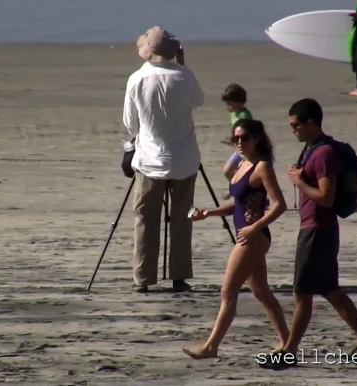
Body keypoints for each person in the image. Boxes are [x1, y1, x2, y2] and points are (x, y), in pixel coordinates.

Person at [264, 98, 357, 369]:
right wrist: (301, 176)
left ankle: (289, 352)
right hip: (314, 228)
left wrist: (299, 181)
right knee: (330, 290)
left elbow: (326, 198)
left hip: (319, 229)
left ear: (311, 124)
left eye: (296, 126)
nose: (292, 130)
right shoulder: (311, 149)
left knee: (302, 292)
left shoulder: (324, 153)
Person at [183, 118, 290, 359]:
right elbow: (238, 204)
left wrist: (255, 227)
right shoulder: (241, 164)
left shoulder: (262, 167)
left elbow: (279, 205)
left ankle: (211, 347)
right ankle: (287, 342)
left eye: (244, 138)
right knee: (262, 291)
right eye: (235, 138)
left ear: (257, 139)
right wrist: (210, 212)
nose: (239, 143)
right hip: (248, 235)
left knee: (228, 292)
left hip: (253, 238)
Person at [123, 26, 205, 293]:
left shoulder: (136, 79)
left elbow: (130, 123)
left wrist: (132, 143)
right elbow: (198, 101)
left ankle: (143, 279)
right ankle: (179, 277)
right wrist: (183, 67)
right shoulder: (184, 76)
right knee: (182, 220)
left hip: (149, 161)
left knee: (145, 220)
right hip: (184, 160)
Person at [220, 83, 253, 181]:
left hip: (247, 151)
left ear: (239, 103)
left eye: (229, 104)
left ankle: (241, 189)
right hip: (238, 149)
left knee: (244, 174)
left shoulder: (244, 116)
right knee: (227, 171)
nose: (227, 107)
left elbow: (247, 135)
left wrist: (234, 140)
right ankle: (235, 187)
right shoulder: (234, 113)